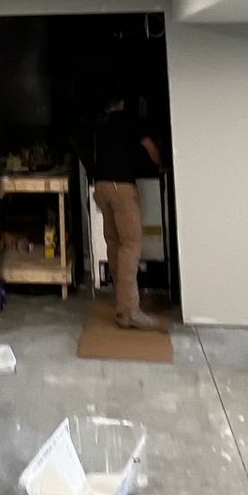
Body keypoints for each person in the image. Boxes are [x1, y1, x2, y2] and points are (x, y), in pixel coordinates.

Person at [90, 95, 163, 329]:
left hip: (101, 186)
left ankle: (122, 301)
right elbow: (149, 146)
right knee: (131, 245)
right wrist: (161, 163)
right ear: (121, 101)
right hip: (120, 187)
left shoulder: (100, 123)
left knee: (114, 243)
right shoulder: (127, 119)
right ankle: (129, 311)